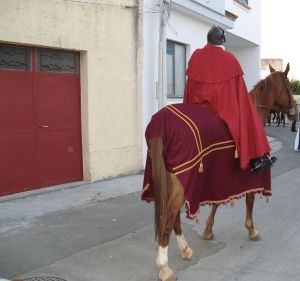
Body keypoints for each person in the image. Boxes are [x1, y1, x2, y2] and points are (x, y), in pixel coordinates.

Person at [183, 25, 276, 173]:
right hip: (222, 111)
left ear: (207, 40)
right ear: (223, 40)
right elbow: (240, 94)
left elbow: (189, 88)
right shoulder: (230, 59)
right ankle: (257, 159)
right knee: (247, 113)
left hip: (196, 110)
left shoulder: (196, 56)